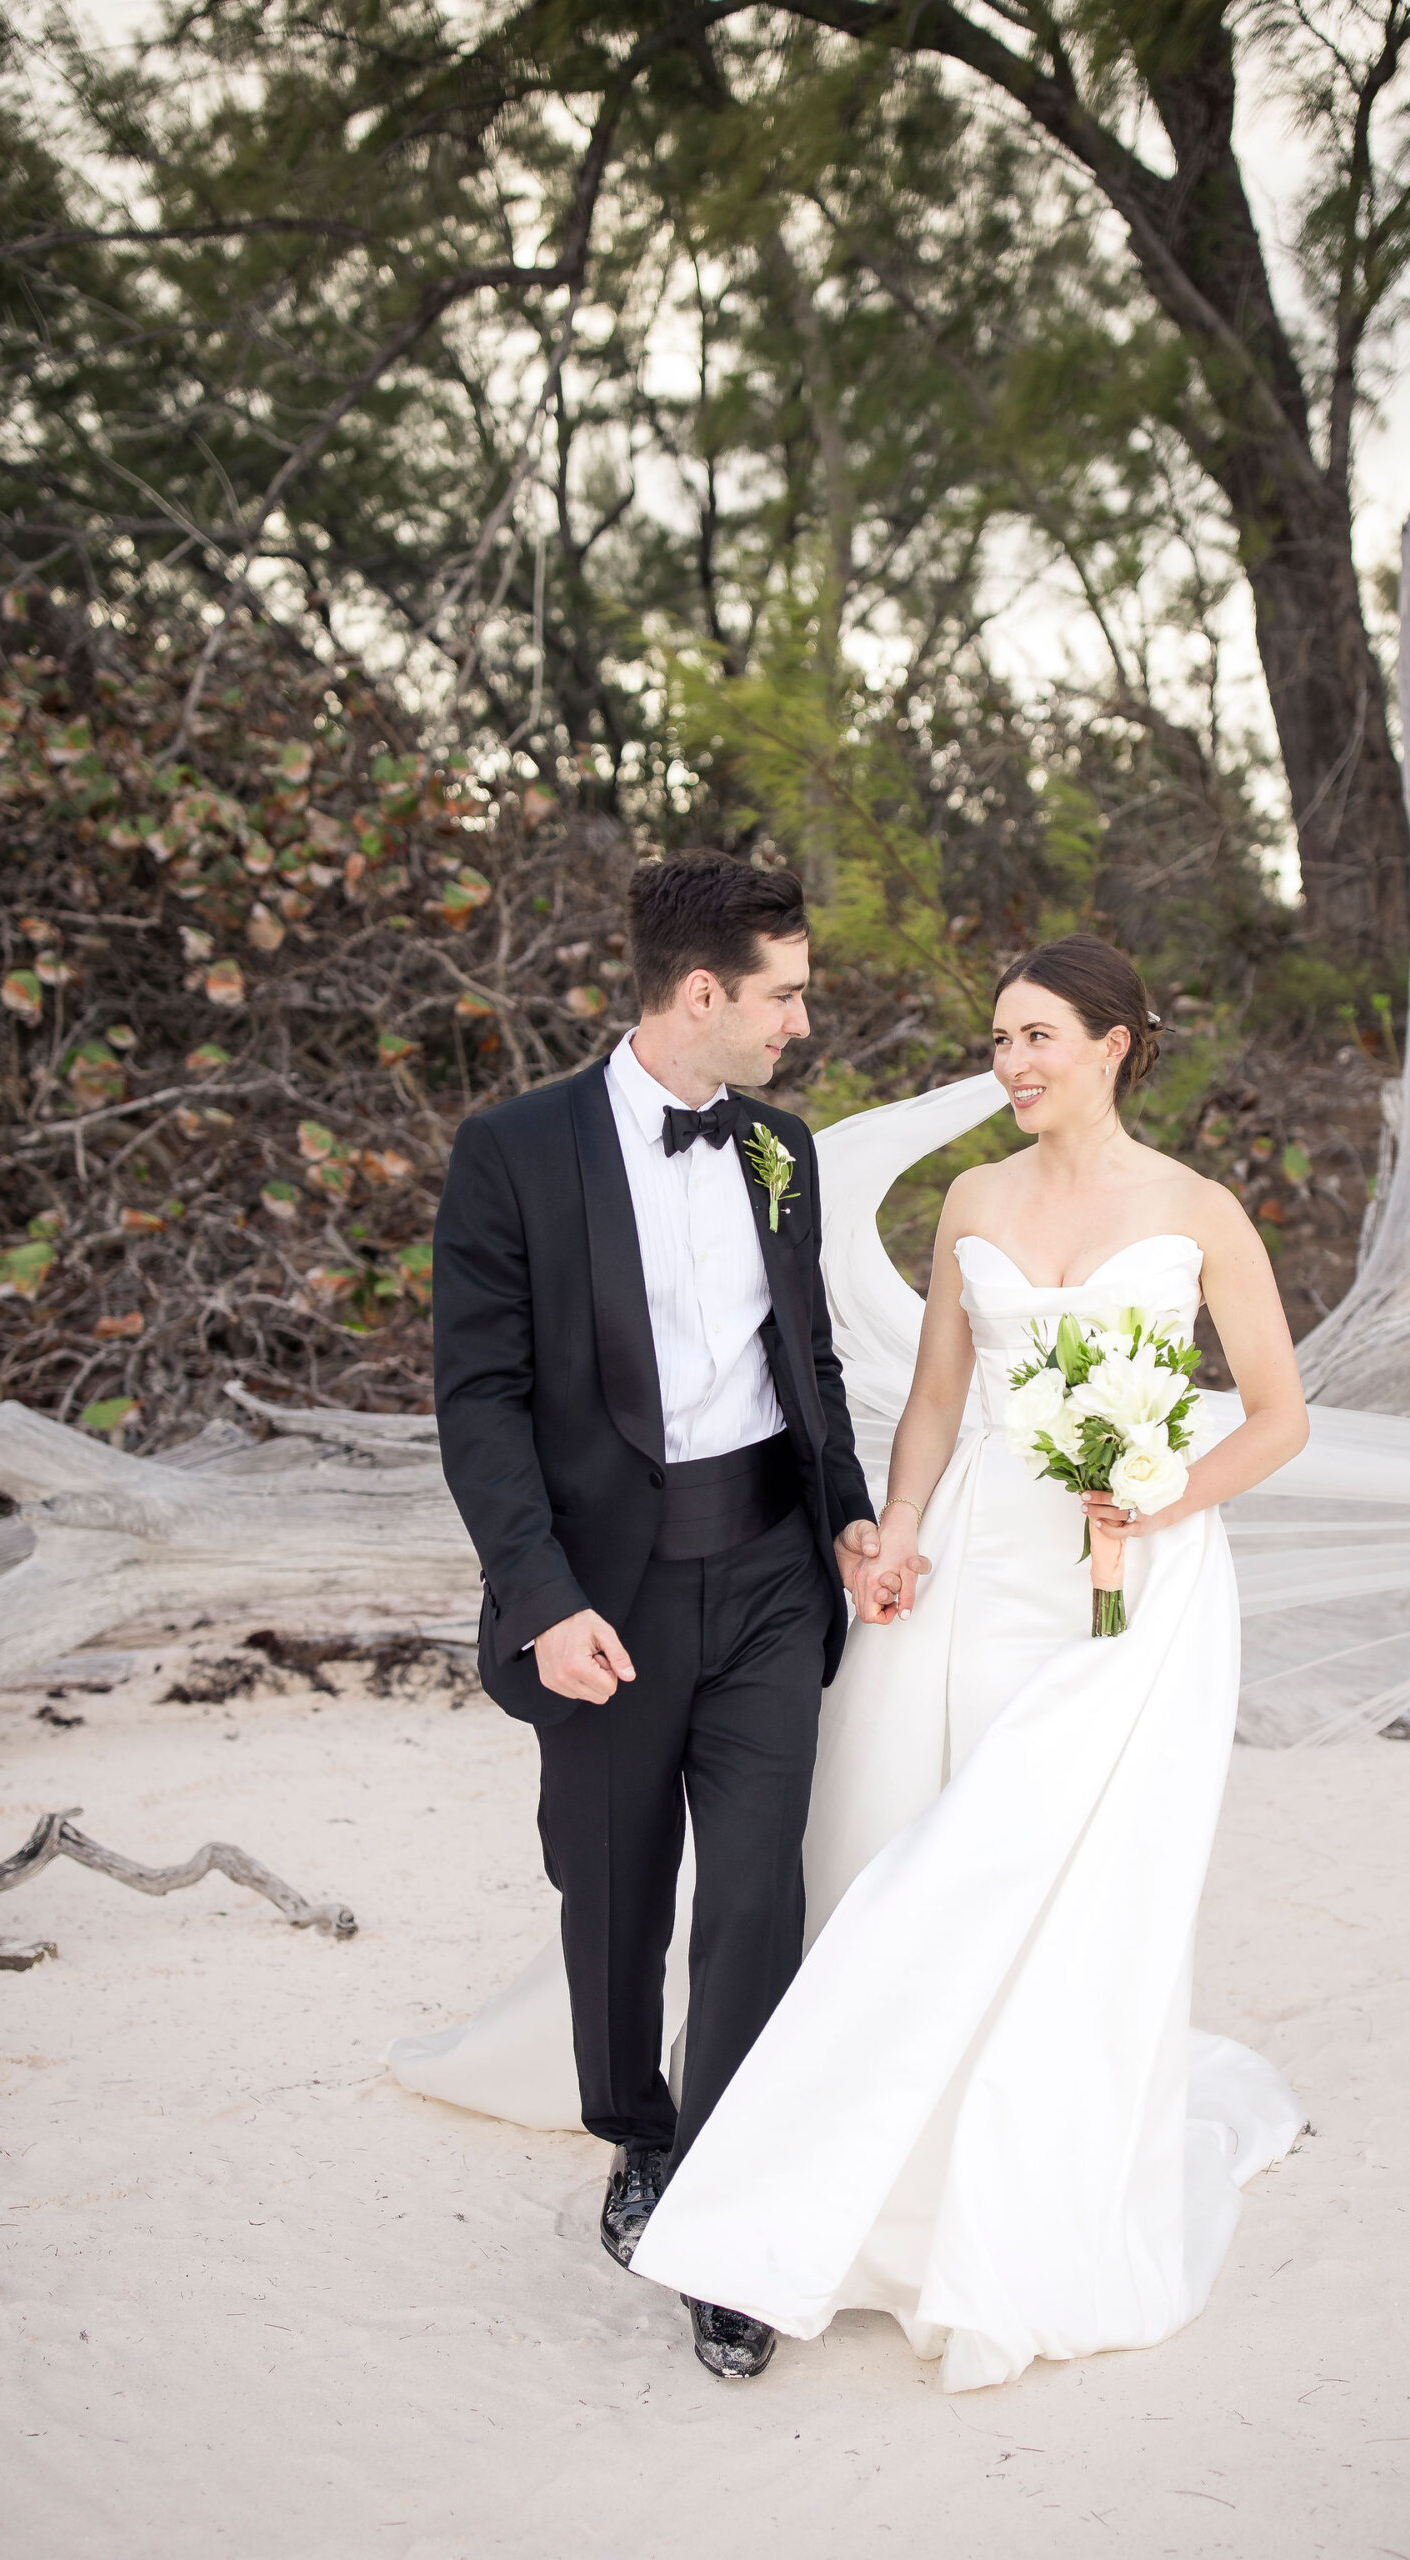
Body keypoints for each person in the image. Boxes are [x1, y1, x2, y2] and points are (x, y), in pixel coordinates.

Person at [627, 934, 1314, 2390]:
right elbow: (939, 1395)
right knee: (910, 1846)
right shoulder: (974, 1199)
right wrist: (896, 1532)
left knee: (1049, 1866)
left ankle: (1016, 2181)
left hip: (1129, 1583)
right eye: (999, 1038)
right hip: (976, 1560)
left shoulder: (1197, 1211)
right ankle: (861, 2179)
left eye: (1038, 1036)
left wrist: (1163, 1495)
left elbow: (1276, 1414)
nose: (1011, 1063)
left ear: (1114, 1044)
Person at [429, 852, 882, 2382]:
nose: (799, 1024)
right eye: (784, 996)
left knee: (755, 1894)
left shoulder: (782, 1151)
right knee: (614, 1889)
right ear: (702, 993)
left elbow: (808, 1359)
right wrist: (541, 1599)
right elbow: (480, 1402)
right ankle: (636, 2128)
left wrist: (849, 1516)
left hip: (768, 1578)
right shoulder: (512, 1152)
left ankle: (722, 2212)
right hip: (603, 1600)